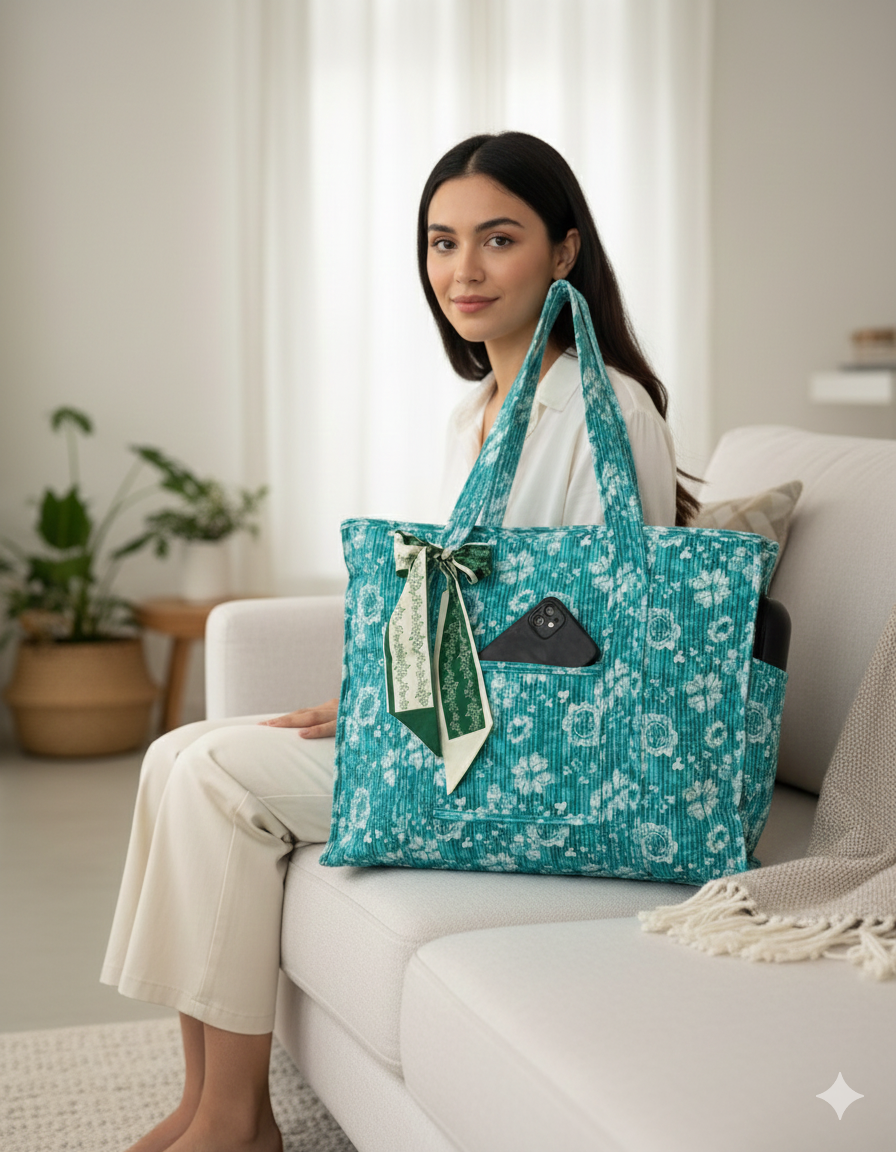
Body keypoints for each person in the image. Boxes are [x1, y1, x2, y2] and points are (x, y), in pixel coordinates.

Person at [101, 131, 690, 1152]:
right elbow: (465, 603)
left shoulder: (609, 409)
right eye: (441, 242)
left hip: (542, 749)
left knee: (219, 781)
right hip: (459, 726)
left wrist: (401, 705)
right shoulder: (477, 413)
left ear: (563, 251)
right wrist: (382, 692)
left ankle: (236, 1125)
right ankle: (204, 1103)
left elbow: (604, 633)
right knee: (175, 754)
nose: (463, 271)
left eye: (497, 239)